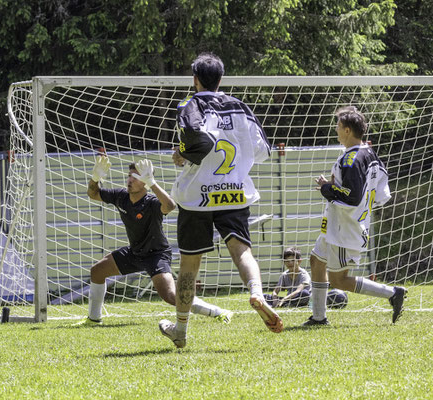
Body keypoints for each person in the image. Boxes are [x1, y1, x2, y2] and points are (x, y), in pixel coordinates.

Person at [159, 53, 282, 349]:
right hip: (235, 191)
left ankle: (181, 329)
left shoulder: (191, 104)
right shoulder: (240, 107)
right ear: (221, 80)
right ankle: (257, 294)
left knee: (189, 265)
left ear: (195, 79)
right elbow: (262, 149)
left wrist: (184, 154)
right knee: (242, 252)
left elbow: (196, 140)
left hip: (196, 196)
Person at [73, 156, 233, 326]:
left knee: (171, 296)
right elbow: (93, 194)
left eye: (136, 177)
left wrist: (152, 183)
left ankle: (219, 312)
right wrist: (95, 178)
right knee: (97, 271)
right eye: (129, 176)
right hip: (135, 252)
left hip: (156, 255)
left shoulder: (151, 202)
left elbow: (170, 206)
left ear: (145, 182)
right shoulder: (121, 196)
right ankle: (93, 319)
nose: (129, 180)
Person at [303, 106, 406, 327]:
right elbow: (382, 194)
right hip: (339, 223)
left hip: (344, 227)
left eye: (338, 126)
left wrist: (326, 188)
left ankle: (392, 293)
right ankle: (318, 317)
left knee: (338, 280)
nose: (336, 129)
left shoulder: (351, 160)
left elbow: (351, 197)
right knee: (316, 261)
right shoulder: (369, 154)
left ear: (348, 130)